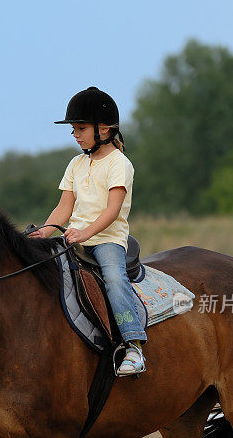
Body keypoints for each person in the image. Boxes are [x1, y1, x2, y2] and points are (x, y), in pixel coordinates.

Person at [30, 86, 146, 375]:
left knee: (114, 279)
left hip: (107, 239)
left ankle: (133, 345)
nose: (75, 135)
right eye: (73, 129)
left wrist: (85, 233)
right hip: (74, 236)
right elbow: (63, 208)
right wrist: (44, 231)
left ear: (104, 129)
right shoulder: (76, 163)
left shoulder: (120, 164)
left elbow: (112, 210)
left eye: (81, 128)